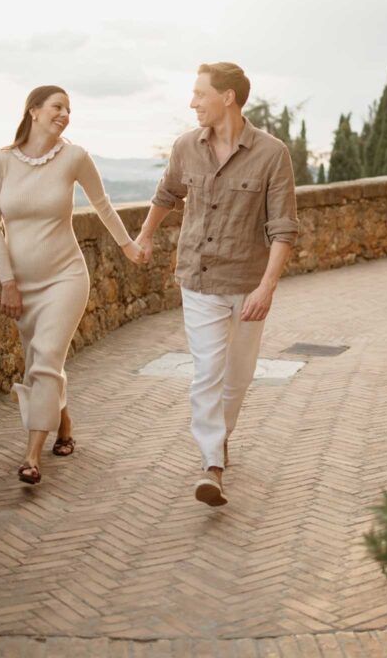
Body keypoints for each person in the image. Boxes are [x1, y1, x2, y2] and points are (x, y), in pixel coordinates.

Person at [136, 62, 298, 506]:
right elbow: (167, 195)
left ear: (227, 97)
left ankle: (219, 438)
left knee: (239, 377)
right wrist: (146, 235)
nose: (192, 102)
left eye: (199, 94)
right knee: (207, 371)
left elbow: (283, 227)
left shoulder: (271, 153)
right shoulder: (186, 146)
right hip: (199, 278)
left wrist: (267, 288)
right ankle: (212, 463)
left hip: (247, 282)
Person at [0, 85, 143, 484]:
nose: (65, 114)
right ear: (33, 111)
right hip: (22, 283)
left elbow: (102, 204)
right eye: (57, 106)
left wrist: (128, 246)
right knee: (41, 363)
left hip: (66, 277)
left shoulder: (75, 157)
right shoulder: (0, 162)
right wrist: (7, 282)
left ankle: (32, 457)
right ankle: (64, 425)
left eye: (69, 109)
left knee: (47, 357)